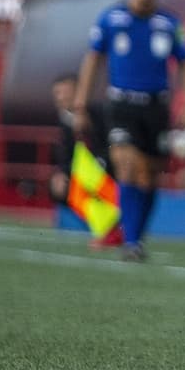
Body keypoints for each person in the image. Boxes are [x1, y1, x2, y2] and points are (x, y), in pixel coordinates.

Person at [72, 0, 185, 261]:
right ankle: (129, 242)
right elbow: (93, 59)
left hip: (156, 108)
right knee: (127, 165)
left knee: (150, 176)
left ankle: (136, 239)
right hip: (121, 104)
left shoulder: (170, 24)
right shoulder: (110, 19)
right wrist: (80, 102)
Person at [50, 73, 121, 246]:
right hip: (87, 173)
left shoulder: (98, 112)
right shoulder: (65, 120)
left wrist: (102, 161)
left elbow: (112, 141)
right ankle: (97, 227)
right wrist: (61, 174)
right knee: (60, 187)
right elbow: (66, 155)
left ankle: (110, 229)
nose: (61, 98)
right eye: (57, 94)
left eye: (65, 92)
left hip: (109, 167)